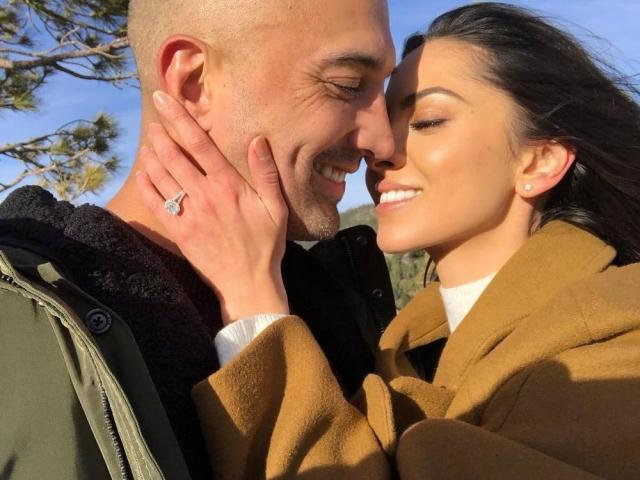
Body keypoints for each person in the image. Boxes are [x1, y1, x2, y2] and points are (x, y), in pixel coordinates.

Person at [138, 3, 640, 479]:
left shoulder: (615, 353)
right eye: (354, 92)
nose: (380, 148)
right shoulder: (400, 346)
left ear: (540, 160)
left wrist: (254, 306)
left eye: (427, 121)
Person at [0, 0, 399, 478]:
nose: (384, 142)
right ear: (194, 82)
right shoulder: (22, 328)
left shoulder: (327, 292)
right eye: (347, 85)